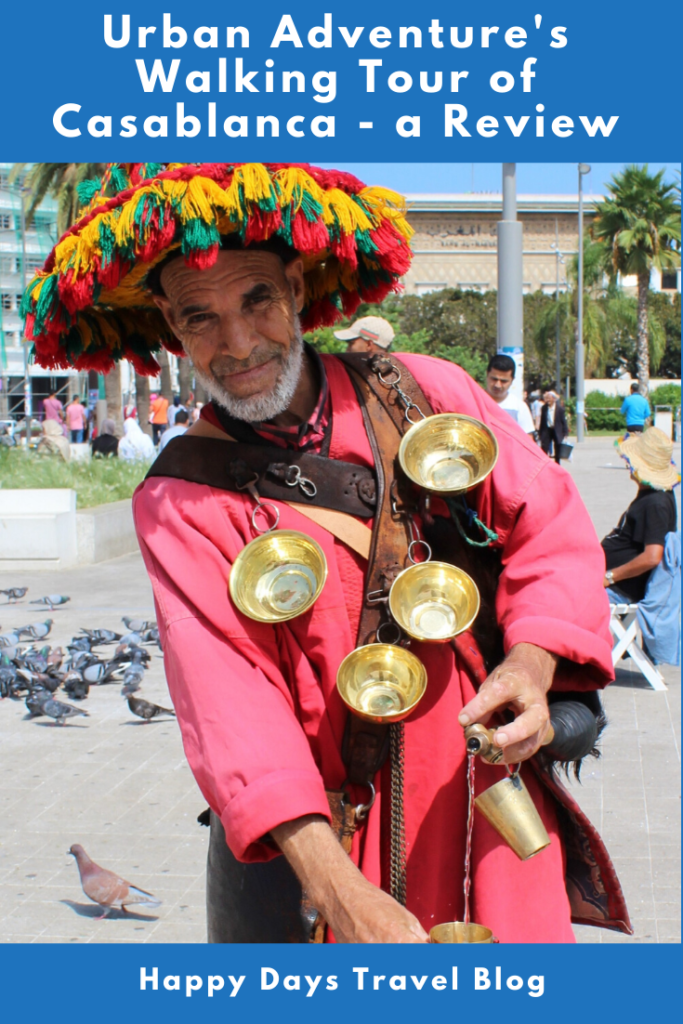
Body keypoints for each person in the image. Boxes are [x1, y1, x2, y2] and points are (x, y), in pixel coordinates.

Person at [21, 161, 626, 946]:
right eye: (199, 317)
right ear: (172, 332)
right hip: (333, 834)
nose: (236, 343)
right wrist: (340, 894)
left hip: (487, 794)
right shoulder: (177, 502)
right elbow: (232, 711)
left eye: (256, 299)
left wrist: (533, 665)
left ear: (298, 290)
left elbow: (549, 524)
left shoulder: (422, 390)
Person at [601, 427, 679, 604]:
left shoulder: (655, 503)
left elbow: (652, 556)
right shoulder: (652, 496)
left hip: (621, 589)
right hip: (613, 581)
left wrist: (610, 577)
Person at [484, 355, 535, 436]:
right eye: (494, 379)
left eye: (503, 381)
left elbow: (528, 441)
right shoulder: (474, 402)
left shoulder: (519, 408)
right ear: (487, 374)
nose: (498, 385)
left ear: (512, 380)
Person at [539, 391, 569, 463]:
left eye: (549, 398)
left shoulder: (560, 409)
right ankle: (544, 463)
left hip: (557, 430)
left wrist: (565, 433)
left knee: (557, 448)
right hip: (547, 430)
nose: (548, 400)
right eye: (547, 399)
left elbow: (563, 422)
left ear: (554, 399)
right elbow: (542, 421)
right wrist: (540, 432)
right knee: (544, 447)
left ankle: (557, 463)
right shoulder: (544, 408)